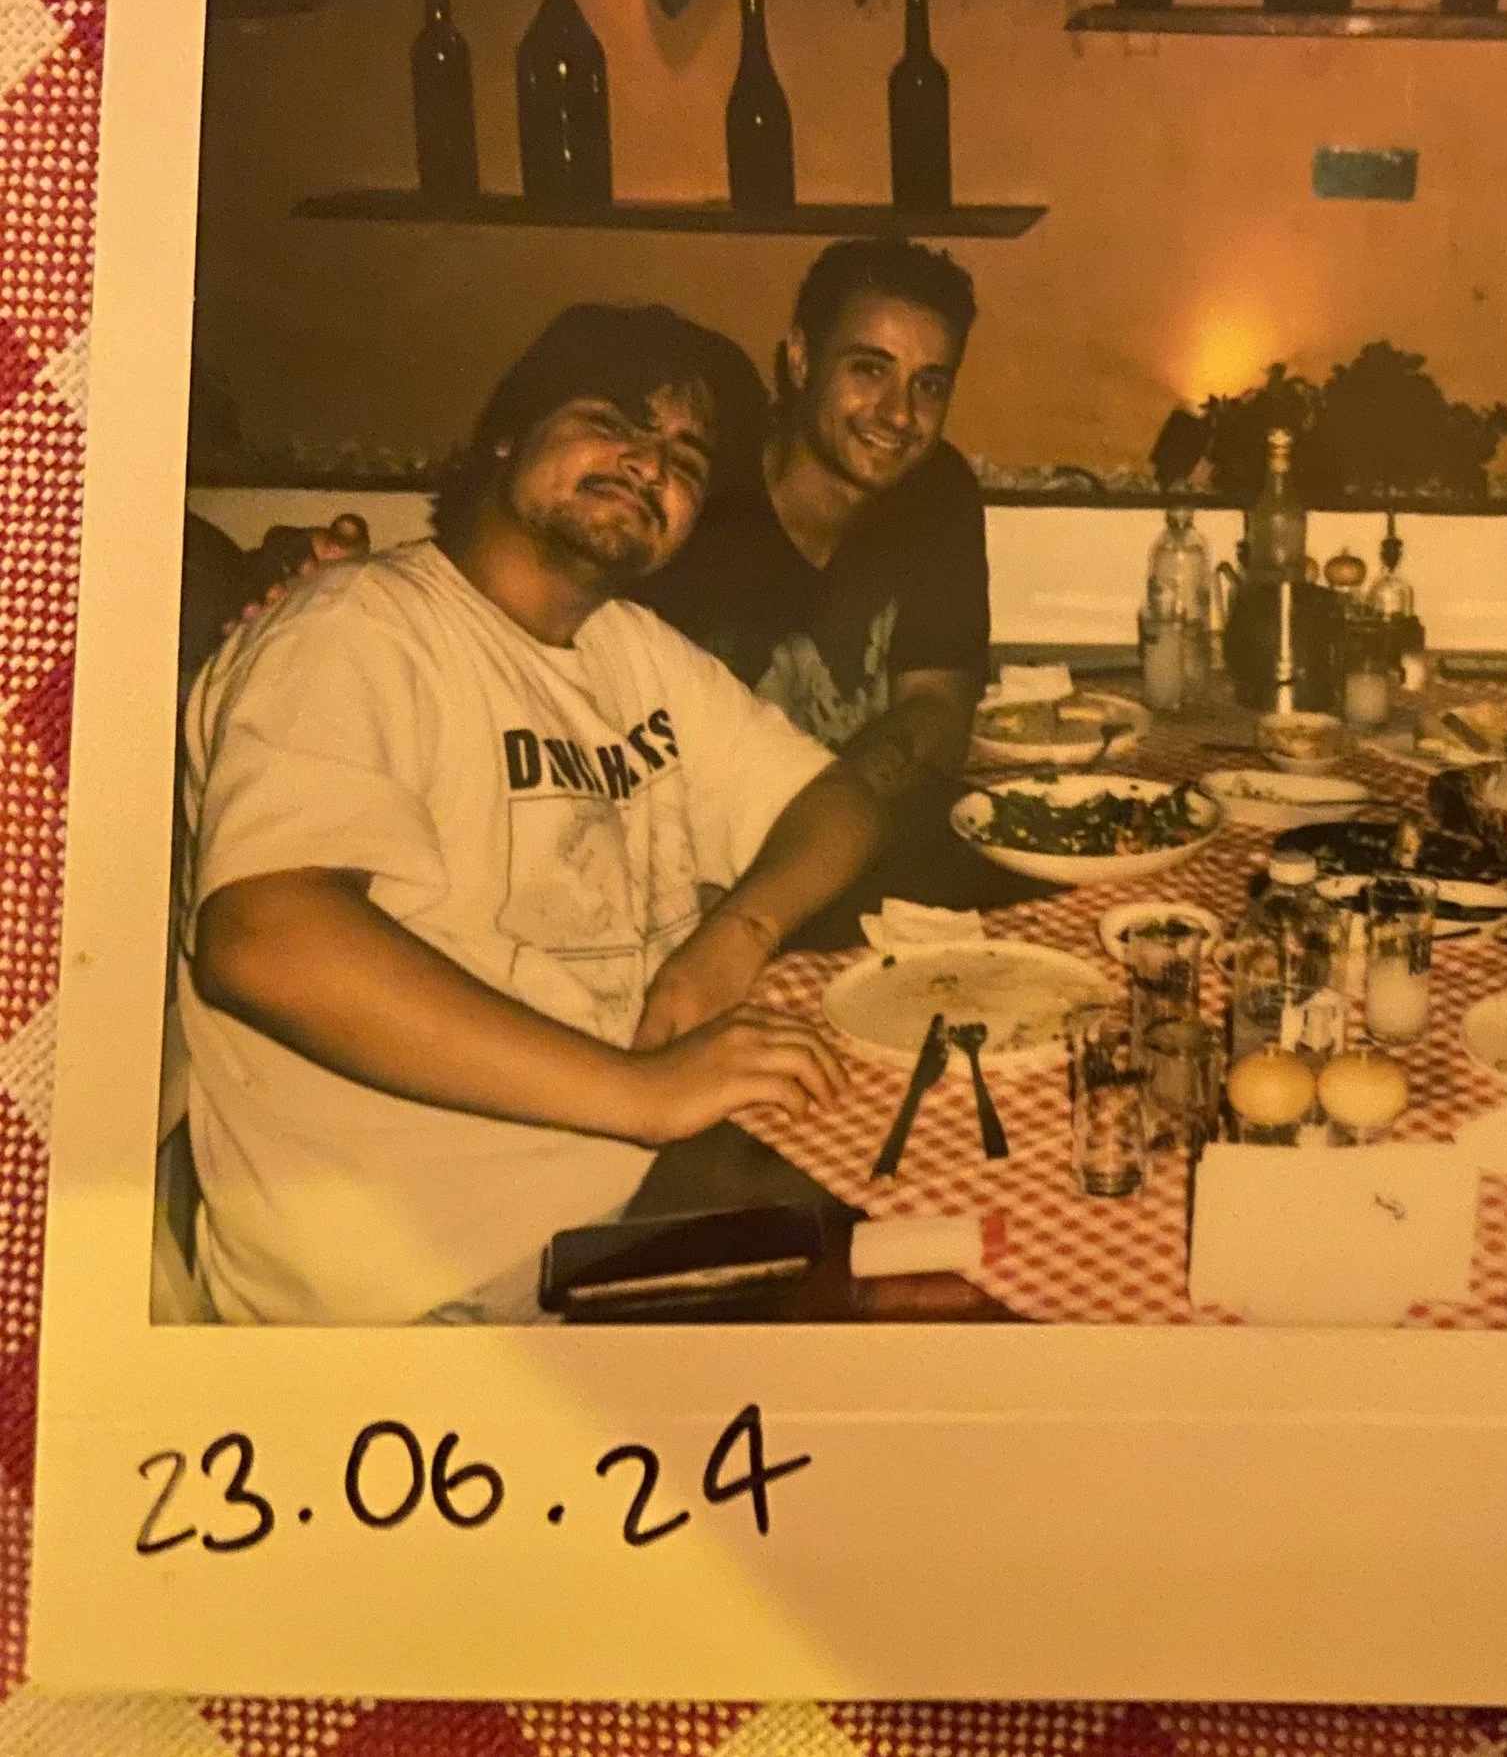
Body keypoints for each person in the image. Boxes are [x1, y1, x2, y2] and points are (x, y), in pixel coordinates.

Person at [177, 304, 871, 1325]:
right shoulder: (355, 630)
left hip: (630, 1213)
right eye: (612, 420)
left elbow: (837, 802)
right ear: (507, 435)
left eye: (686, 459)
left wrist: (736, 934)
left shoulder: (630, 649)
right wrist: (643, 1091)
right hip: (424, 1303)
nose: (650, 463)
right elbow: (266, 937)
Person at [635, 239, 993, 932]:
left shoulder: (939, 492)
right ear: (800, 359)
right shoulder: (699, 500)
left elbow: (938, 711)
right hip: (700, 877)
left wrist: (818, 823)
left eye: (929, 385)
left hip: (856, 856)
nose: (899, 414)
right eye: (869, 369)